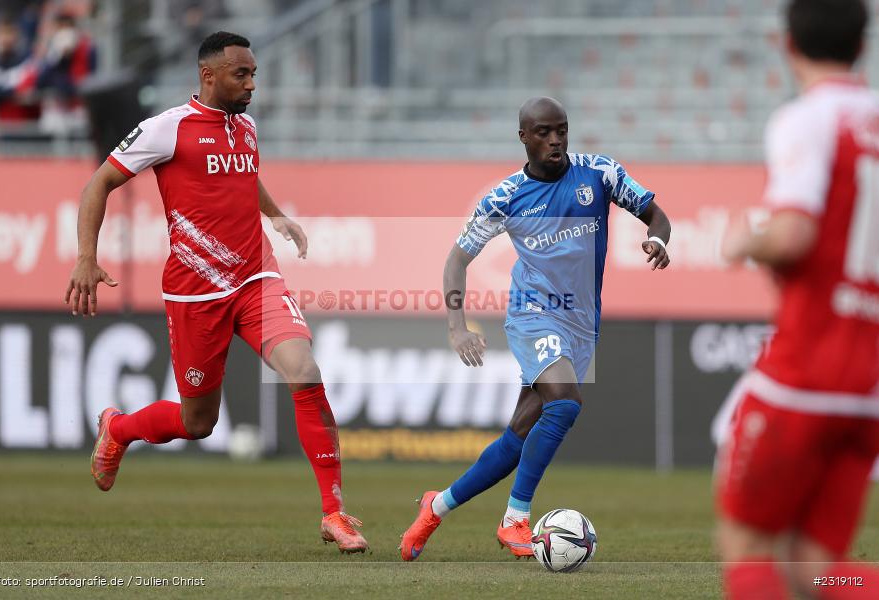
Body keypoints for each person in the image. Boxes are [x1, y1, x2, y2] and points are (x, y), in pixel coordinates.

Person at [64, 31, 368, 554]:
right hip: (195, 293)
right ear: (209, 76)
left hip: (256, 279)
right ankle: (119, 429)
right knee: (197, 421)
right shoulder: (167, 129)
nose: (252, 84)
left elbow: (245, 177)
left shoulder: (245, 125)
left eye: (254, 74)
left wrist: (274, 215)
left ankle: (334, 513)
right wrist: (87, 257)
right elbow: (98, 185)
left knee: (305, 371)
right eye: (241, 75)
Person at [400, 96, 671, 560]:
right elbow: (456, 260)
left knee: (517, 438)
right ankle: (515, 520)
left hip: (582, 323)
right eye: (544, 132)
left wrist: (658, 238)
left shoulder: (600, 174)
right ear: (523, 137)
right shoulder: (505, 198)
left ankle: (435, 507)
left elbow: (655, 214)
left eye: (561, 130)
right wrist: (455, 325)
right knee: (564, 404)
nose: (556, 140)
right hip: (533, 314)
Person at [717, 1, 879, 597]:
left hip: (805, 372)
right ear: (863, 44)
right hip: (867, 389)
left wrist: (743, 241)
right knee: (818, 568)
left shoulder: (807, 120)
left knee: (747, 544)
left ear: (788, 44)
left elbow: (794, 233)